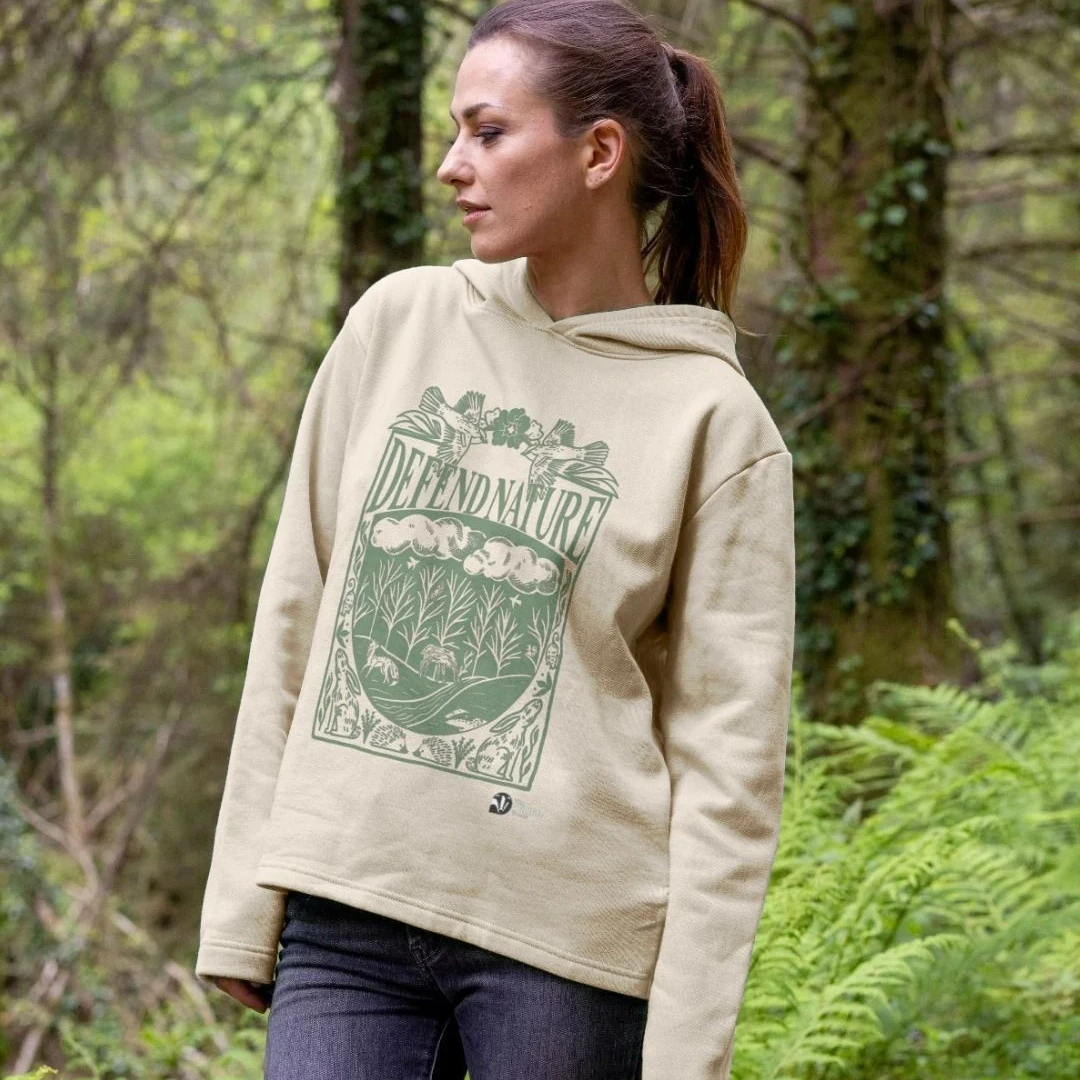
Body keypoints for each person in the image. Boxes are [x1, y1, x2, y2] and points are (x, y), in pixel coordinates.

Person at [194, 1, 796, 1077]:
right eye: (454, 132)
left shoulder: (714, 421)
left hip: (563, 949)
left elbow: (729, 766)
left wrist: (687, 1047)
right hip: (346, 910)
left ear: (599, 153)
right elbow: (298, 603)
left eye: (487, 132)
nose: (450, 167)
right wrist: (245, 893)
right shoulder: (399, 323)